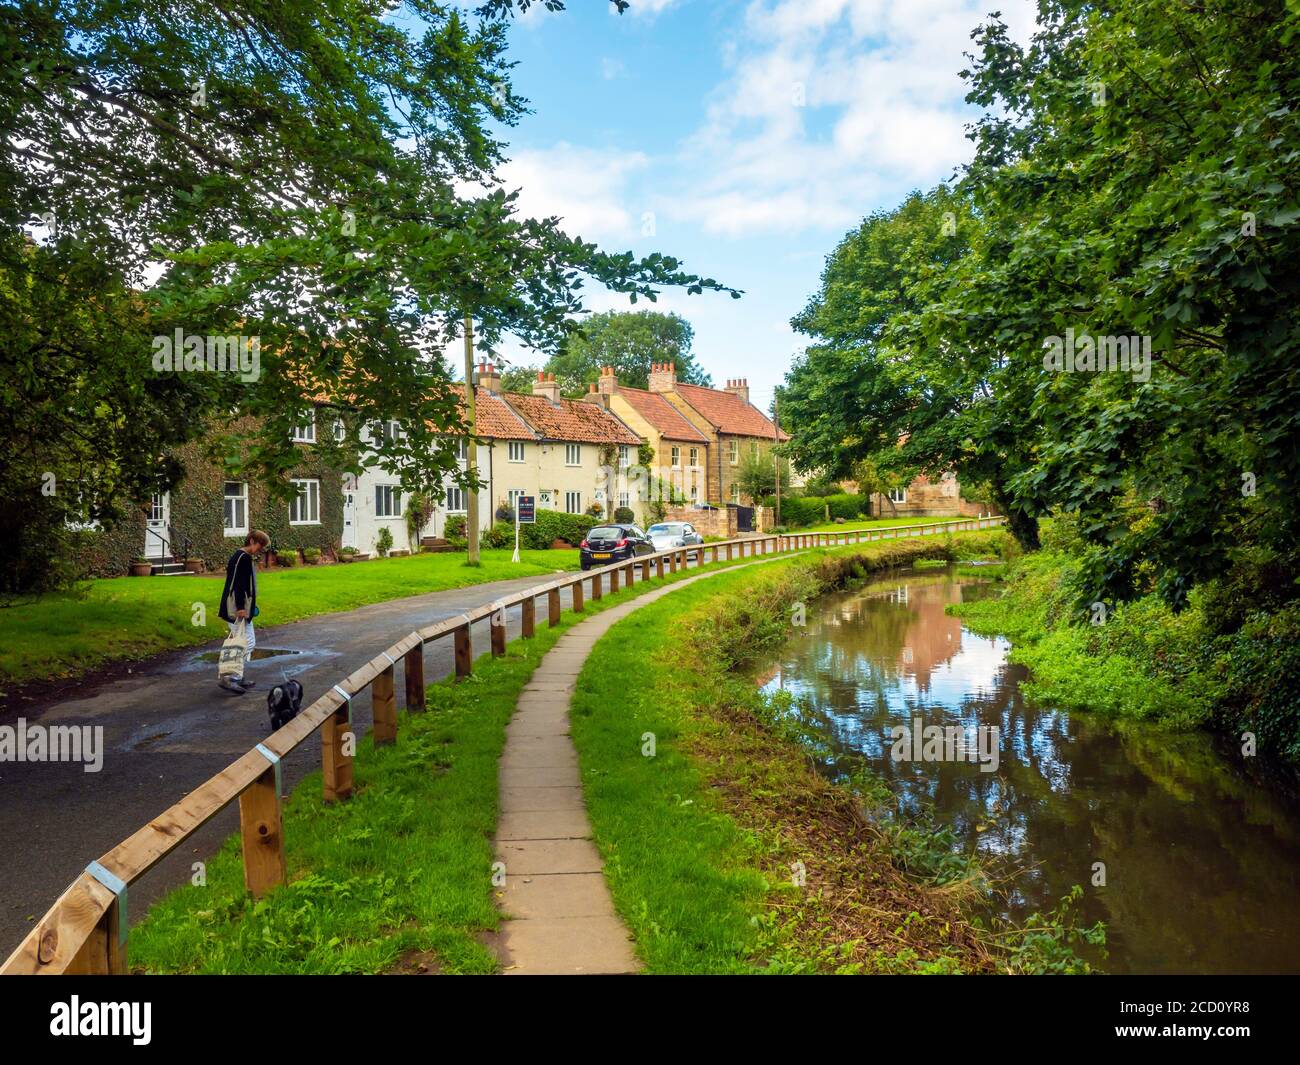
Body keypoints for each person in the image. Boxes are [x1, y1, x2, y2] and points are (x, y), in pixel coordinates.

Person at [217, 530, 270, 694]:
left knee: (246, 642)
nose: (260, 551)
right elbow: (239, 585)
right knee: (244, 643)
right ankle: (229, 677)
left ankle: (237, 677)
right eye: (260, 547)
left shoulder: (240, 556)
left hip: (241, 608)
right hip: (236, 608)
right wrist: (240, 608)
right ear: (252, 540)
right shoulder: (243, 558)